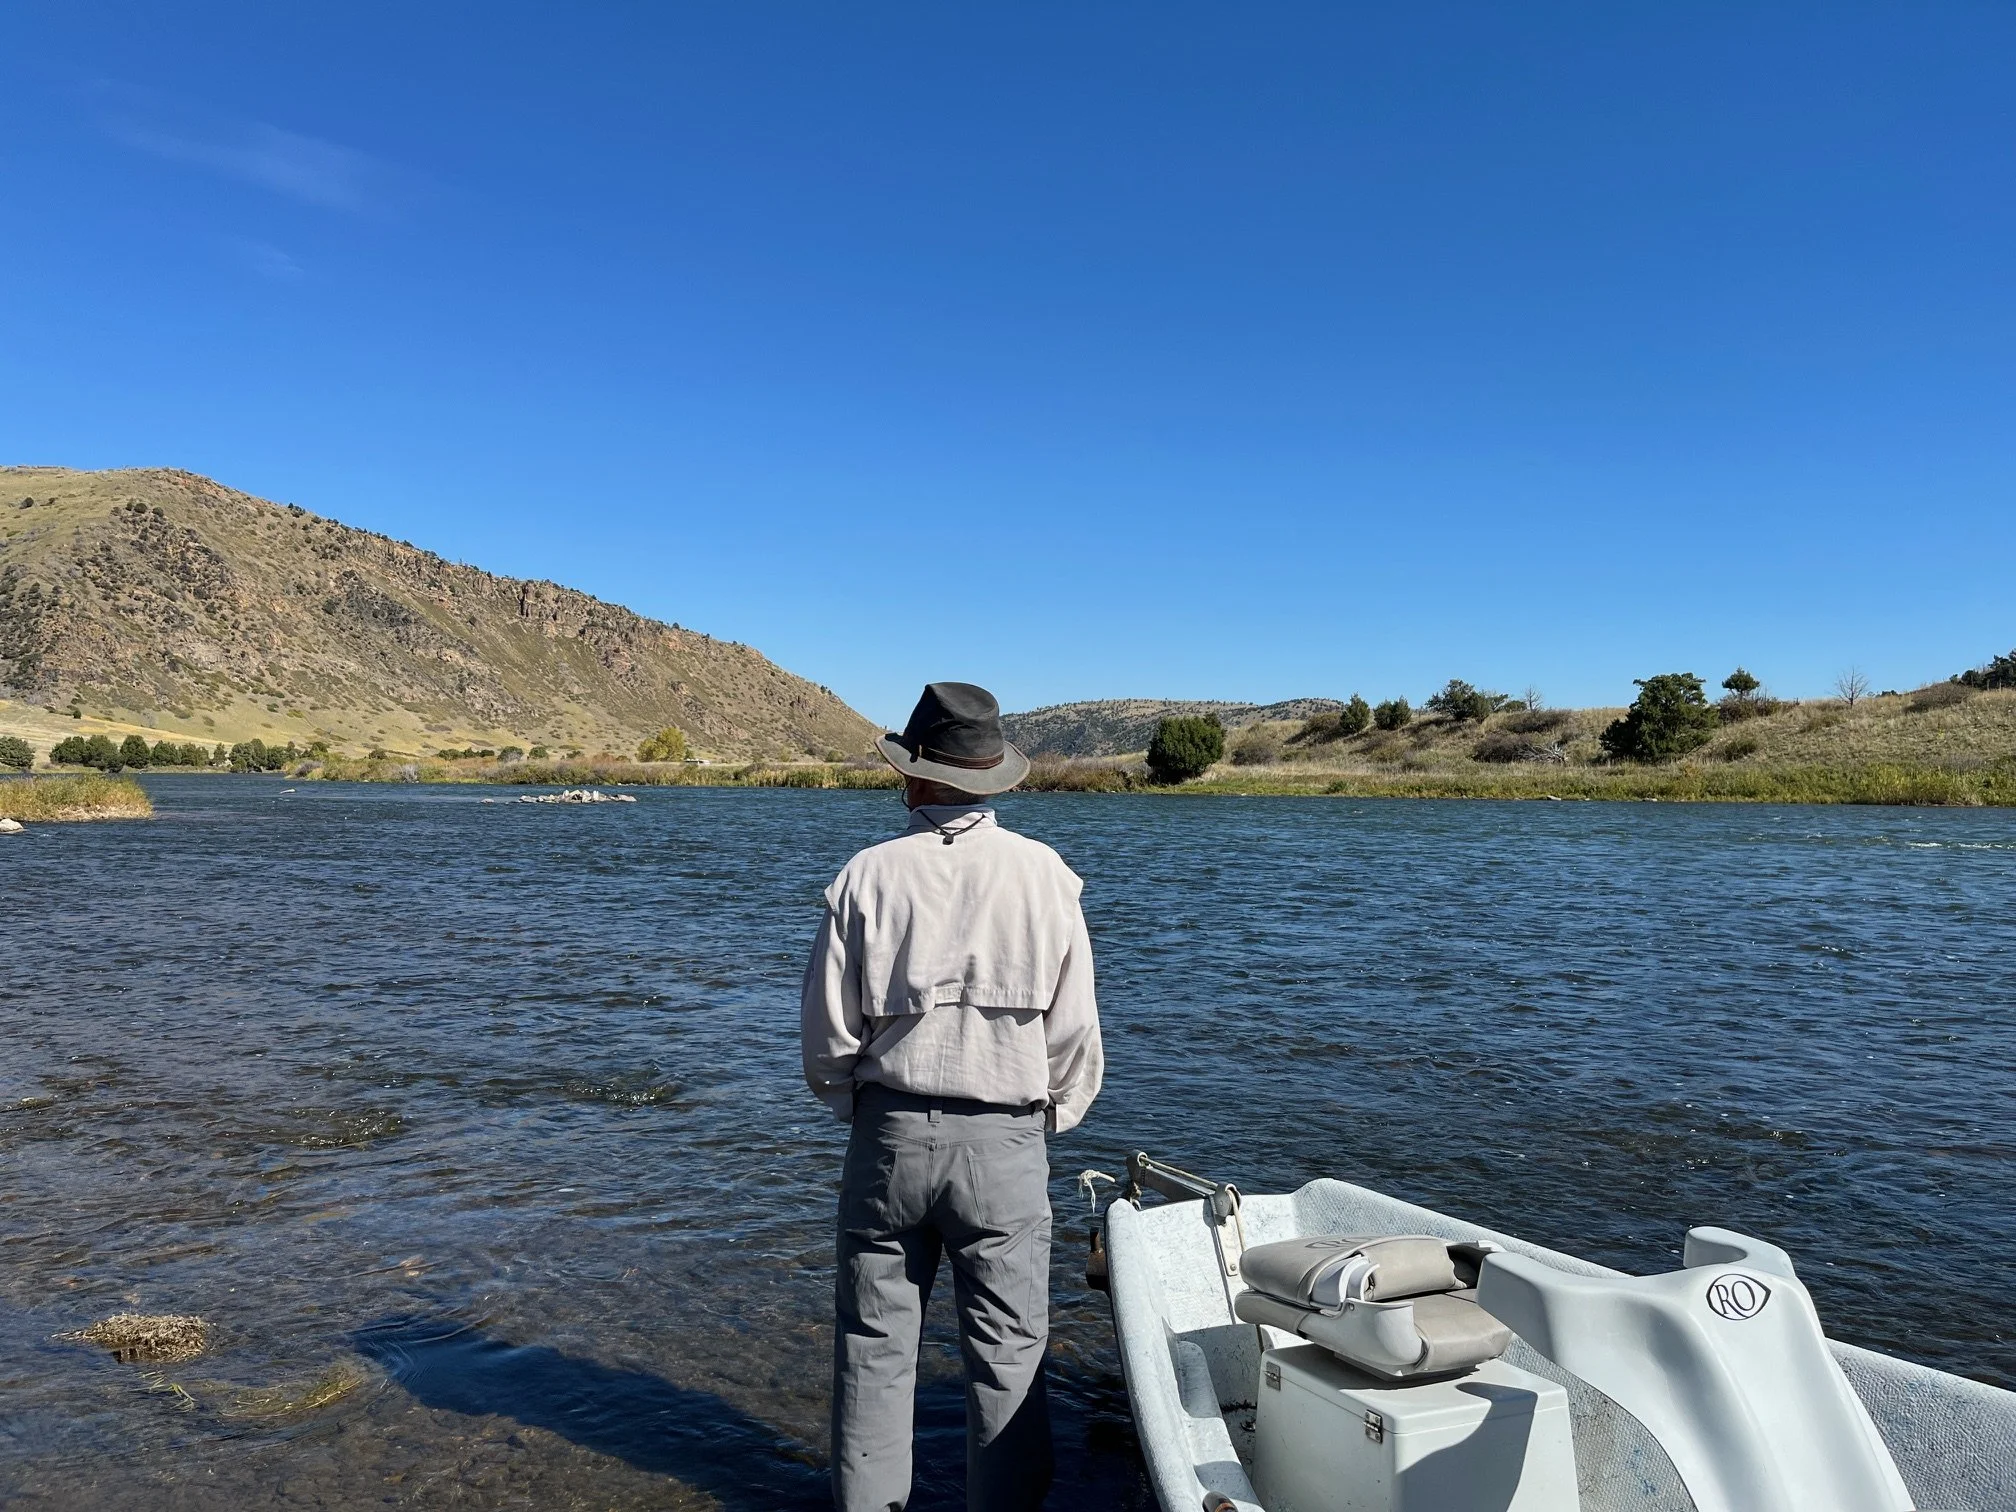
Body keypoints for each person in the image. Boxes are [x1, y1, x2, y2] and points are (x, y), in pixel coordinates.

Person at [802, 681, 1105, 1512]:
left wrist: (859, 1109)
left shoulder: (864, 877)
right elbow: (1075, 1035)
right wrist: (1047, 1118)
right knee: (1010, 1355)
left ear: (918, 778)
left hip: (888, 1138)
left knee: (873, 1348)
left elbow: (829, 1039)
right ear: (987, 779)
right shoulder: (1047, 878)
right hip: (1007, 1144)